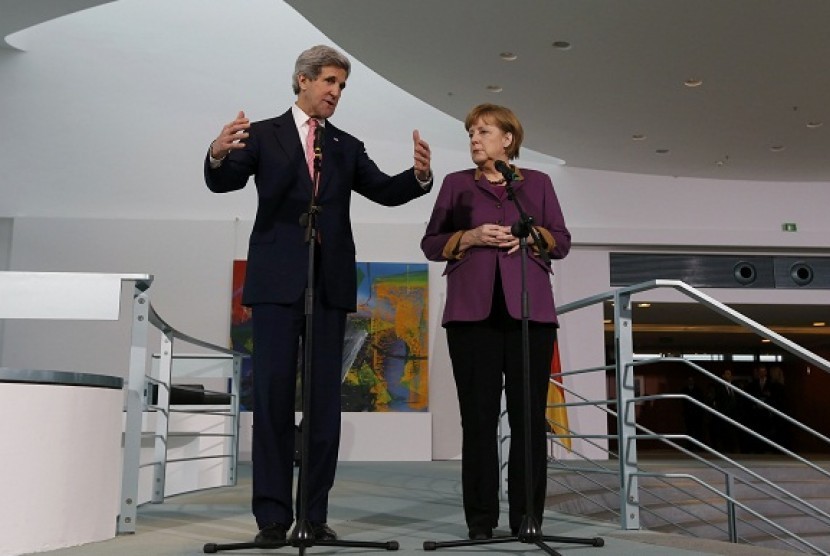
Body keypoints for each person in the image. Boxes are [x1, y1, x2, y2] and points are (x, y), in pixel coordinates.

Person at [204, 45, 432, 544]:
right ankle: (271, 518)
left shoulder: (346, 145)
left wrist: (418, 177)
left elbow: (384, 190)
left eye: (342, 86)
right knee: (272, 398)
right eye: (329, 81)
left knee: (325, 404)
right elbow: (225, 183)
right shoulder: (263, 134)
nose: (335, 92)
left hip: (328, 284)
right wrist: (219, 151)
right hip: (276, 284)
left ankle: (314, 514)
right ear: (303, 81)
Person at [421, 103, 571, 540]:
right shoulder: (454, 185)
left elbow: (560, 240)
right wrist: (469, 236)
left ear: (508, 139)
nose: (474, 138)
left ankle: (528, 520)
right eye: (471, 132)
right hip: (471, 315)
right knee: (479, 421)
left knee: (529, 421)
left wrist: (529, 235)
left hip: (531, 314)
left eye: (483, 131)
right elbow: (431, 243)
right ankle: (480, 522)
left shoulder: (537, 185)